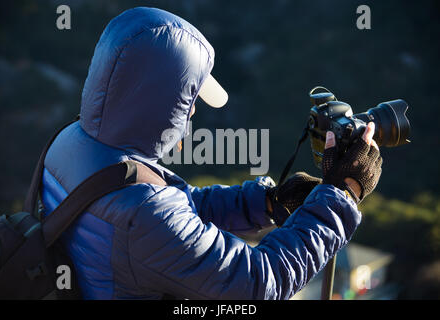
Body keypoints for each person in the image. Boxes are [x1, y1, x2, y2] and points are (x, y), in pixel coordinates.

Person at [40, 7, 382, 299]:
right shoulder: (143, 211)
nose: (191, 114)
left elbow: (178, 212)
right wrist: (342, 193)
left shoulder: (74, 142)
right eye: (188, 101)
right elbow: (259, 282)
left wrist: (265, 202)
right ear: (161, 105)